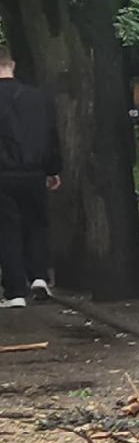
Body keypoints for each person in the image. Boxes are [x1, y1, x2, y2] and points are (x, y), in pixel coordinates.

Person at [0, 50, 60, 309]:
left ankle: (14, 292)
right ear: (12, 64)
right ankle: (39, 277)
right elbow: (50, 135)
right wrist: (52, 169)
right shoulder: (37, 97)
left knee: (7, 230)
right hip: (34, 172)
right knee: (37, 224)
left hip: (3, 174)